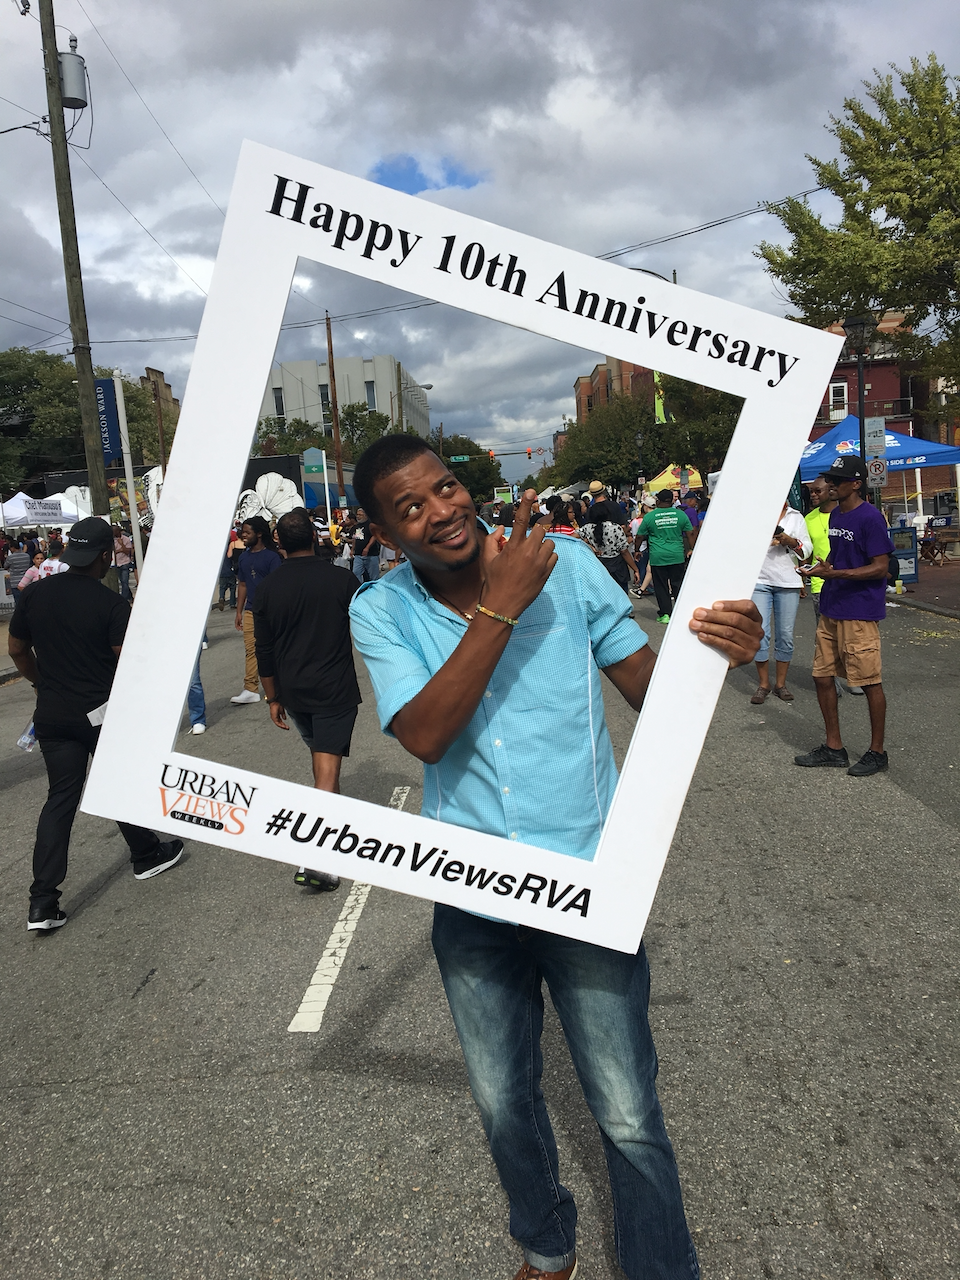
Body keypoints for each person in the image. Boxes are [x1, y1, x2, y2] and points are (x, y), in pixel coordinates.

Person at [348, 435, 762, 1280]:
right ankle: (547, 1245)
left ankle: (660, 1267)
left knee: (627, 1112)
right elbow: (425, 734)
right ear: (384, 535)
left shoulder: (566, 566)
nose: (441, 512)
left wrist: (720, 654)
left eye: (446, 488)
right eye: (411, 508)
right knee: (503, 1102)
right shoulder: (379, 610)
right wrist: (501, 607)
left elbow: (651, 692)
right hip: (473, 893)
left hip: (587, 883)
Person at [7, 517, 183, 932]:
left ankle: (42, 902)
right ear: (105, 556)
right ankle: (146, 855)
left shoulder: (34, 594)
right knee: (118, 782)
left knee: (60, 799)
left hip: (53, 714)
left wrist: (40, 681)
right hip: (100, 712)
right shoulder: (111, 604)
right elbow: (129, 663)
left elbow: (16, 650)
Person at [254, 508, 361, 892]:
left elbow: (263, 649)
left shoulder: (267, 587)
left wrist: (271, 697)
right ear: (315, 538)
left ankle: (331, 825)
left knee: (322, 764)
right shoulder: (342, 579)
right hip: (334, 688)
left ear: (280, 542)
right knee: (326, 773)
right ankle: (319, 860)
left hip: (293, 691)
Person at [796, 457, 895, 777]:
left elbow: (881, 567)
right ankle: (834, 747)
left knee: (868, 682)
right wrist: (819, 569)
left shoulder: (870, 518)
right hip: (832, 606)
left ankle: (877, 752)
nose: (831, 485)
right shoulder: (837, 514)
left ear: (856, 484)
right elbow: (838, 559)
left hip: (859, 611)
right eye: (831, 479)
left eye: (837, 480)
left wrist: (838, 574)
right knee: (822, 676)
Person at [748, 500, 809, 704]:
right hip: (759, 580)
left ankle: (780, 684)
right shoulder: (756, 513)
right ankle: (763, 683)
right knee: (760, 632)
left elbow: (806, 550)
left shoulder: (795, 517)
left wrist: (790, 541)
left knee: (785, 634)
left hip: (788, 581)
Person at [232, 516, 282, 705]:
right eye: (242, 532)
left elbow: (277, 585)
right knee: (251, 649)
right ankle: (250, 688)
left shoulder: (272, 557)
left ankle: (279, 683)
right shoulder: (244, 557)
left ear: (259, 534)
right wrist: (239, 611)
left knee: (275, 647)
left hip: (271, 609)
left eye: (247, 532)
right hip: (251, 610)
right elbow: (243, 584)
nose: (243, 535)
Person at [638, 489, 695, 623]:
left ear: (658, 501)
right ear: (672, 501)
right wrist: (692, 548)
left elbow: (640, 535)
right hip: (677, 555)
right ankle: (681, 612)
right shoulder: (680, 515)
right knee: (678, 585)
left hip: (658, 557)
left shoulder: (650, 516)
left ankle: (665, 614)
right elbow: (690, 533)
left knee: (661, 586)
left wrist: (636, 550)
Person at [577, 496, 640, 593]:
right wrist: (635, 569)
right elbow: (624, 551)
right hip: (617, 567)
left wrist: (589, 546)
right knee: (620, 595)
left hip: (597, 566)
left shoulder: (587, 528)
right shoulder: (615, 527)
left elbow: (573, 537)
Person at [352, 507, 381, 582]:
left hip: (370, 554)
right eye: (357, 514)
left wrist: (367, 547)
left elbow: (374, 536)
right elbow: (355, 538)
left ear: (365, 515)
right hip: (358, 554)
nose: (358, 516)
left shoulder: (370, 524)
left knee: (373, 576)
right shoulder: (357, 526)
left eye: (360, 515)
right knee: (356, 572)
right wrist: (352, 549)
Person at [215, 531, 240, 611]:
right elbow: (231, 557)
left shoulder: (218, 549)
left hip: (222, 571)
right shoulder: (230, 547)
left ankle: (221, 597)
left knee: (222, 587)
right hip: (230, 570)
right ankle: (232, 603)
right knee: (232, 588)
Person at [112, 525, 134, 599]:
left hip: (125, 563)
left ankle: (123, 598)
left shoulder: (126, 539)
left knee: (125, 582)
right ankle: (130, 597)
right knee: (123, 582)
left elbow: (127, 551)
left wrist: (122, 544)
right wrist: (119, 550)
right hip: (117, 563)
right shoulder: (112, 540)